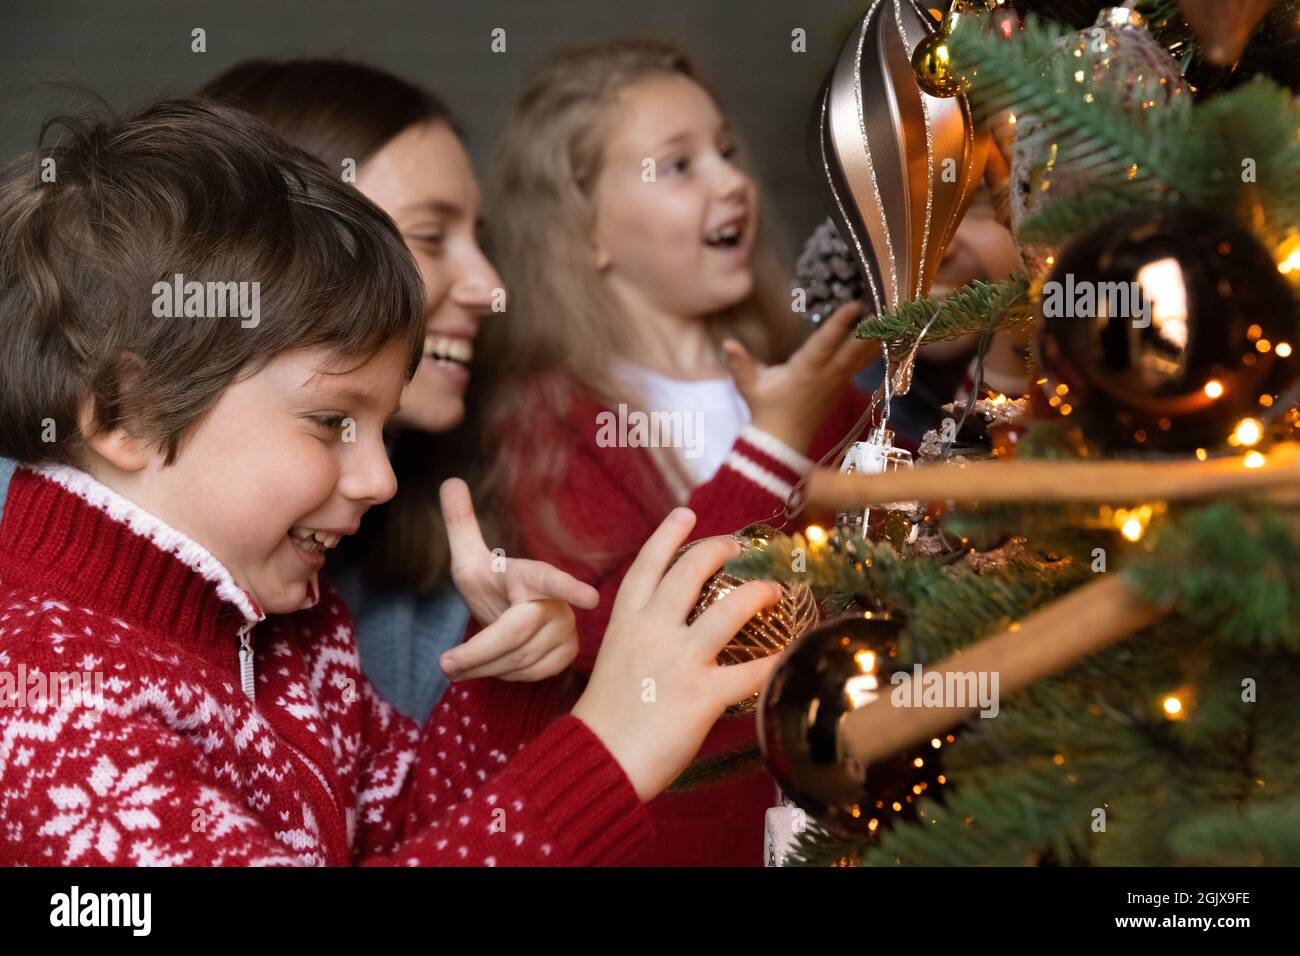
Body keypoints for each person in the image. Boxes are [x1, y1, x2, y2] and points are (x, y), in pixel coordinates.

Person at [0, 99, 783, 865]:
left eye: (380, 428)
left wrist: (503, 688)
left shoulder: (290, 630)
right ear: (124, 412)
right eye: (331, 423)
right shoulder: (52, 702)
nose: (377, 479)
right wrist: (606, 754)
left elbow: (407, 832)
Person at [476, 38, 880, 865]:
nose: (733, 180)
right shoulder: (553, 424)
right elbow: (609, 637)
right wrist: (769, 446)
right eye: (679, 166)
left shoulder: (817, 382)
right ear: (584, 230)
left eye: (727, 152)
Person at [199, 60, 584, 721]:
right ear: (278, 244)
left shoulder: (431, 540)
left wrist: (509, 677)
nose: (490, 286)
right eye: (432, 237)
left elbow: (428, 821)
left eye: (478, 239)